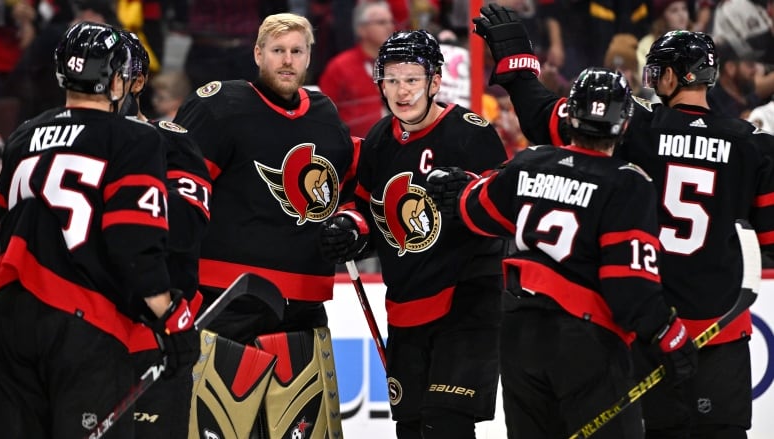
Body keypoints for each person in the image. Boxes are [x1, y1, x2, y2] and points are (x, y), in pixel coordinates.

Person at [473, 4, 774, 437]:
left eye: (658, 74)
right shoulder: (754, 145)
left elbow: (546, 122)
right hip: (720, 334)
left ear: (675, 76)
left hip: (647, 330)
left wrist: (517, 64)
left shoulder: (636, 125)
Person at [424, 67, 698, 439]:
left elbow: (476, 211)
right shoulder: (627, 181)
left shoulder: (529, 162)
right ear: (624, 123)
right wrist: (667, 332)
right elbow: (629, 285)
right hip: (584, 339)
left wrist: (460, 187)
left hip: (519, 332)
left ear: (569, 114)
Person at [0, 21, 199, 438]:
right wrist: (171, 315)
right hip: (83, 325)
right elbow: (134, 241)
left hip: (8, 320)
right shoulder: (133, 139)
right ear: (115, 77)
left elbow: (6, 222)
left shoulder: (21, 138)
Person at [172, 12, 355, 438]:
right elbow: (179, 197)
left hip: (302, 308)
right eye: (277, 51)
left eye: (296, 51)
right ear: (258, 54)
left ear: (309, 57)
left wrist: (350, 224)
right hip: (226, 299)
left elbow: (350, 190)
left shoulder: (326, 116)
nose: (287, 61)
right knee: (213, 425)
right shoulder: (220, 105)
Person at [318, 29, 508, 439]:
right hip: (405, 305)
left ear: (435, 82)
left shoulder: (470, 132)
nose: (401, 91)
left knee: (445, 424)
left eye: (412, 80)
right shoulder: (379, 142)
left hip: (467, 298)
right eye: (391, 80)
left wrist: (469, 193)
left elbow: (505, 211)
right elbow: (366, 210)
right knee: (412, 429)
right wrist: (351, 228)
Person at [118, 30, 210, 438]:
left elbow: (187, 227)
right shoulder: (72, 142)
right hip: (84, 339)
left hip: (158, 334)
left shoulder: (171, 142)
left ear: (137, 82)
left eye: (111, 77)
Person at [318, 0, 394, 138]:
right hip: (352, 148)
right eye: (381, 22)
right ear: (361, 29)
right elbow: (322, 115)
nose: (390, 27)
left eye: (391, 21)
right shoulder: (340, 66)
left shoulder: (401, 65)